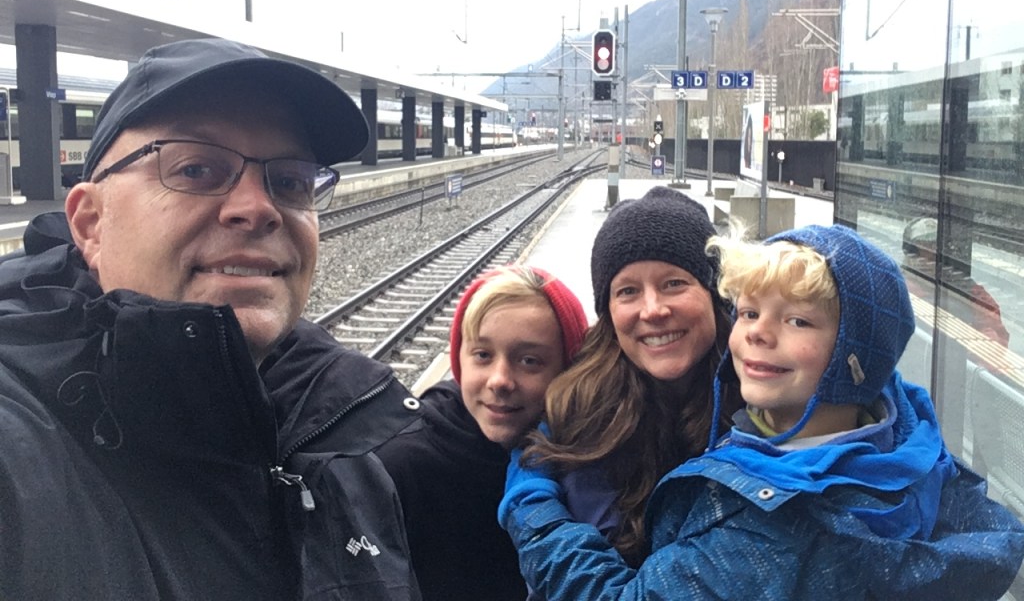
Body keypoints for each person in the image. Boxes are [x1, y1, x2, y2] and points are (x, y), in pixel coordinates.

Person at [0, 38, 425, 601]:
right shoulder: (20, 453)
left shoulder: (350, 460)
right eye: (196, 168)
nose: (258, 207)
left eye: (290, 181)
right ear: (91, 224)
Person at [499, 223, 1024, 600]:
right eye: (749, 311)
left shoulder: (767, 536)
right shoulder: (901, 426)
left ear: (853, 356)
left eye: (797, 321)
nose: (756, 333)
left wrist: (534, 507)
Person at [513, 186, 743, 567]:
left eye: (673, 283)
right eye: (628, 291)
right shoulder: (580, 409)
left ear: (715, 294)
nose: (652, 310)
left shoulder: (765, 397)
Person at [376, 264, 587, 601]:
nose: (499, 380)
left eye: (529, 360)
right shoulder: (402, 466)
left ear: (569, 371)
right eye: (483, 355)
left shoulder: (589, 456)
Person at [901, 216, 1009, 348]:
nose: (932, 253)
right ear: (910, 251)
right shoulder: (899, 287)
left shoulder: (968, 289)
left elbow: (996, 331)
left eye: (936, 246)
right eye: (924, 246)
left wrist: (981, 342)